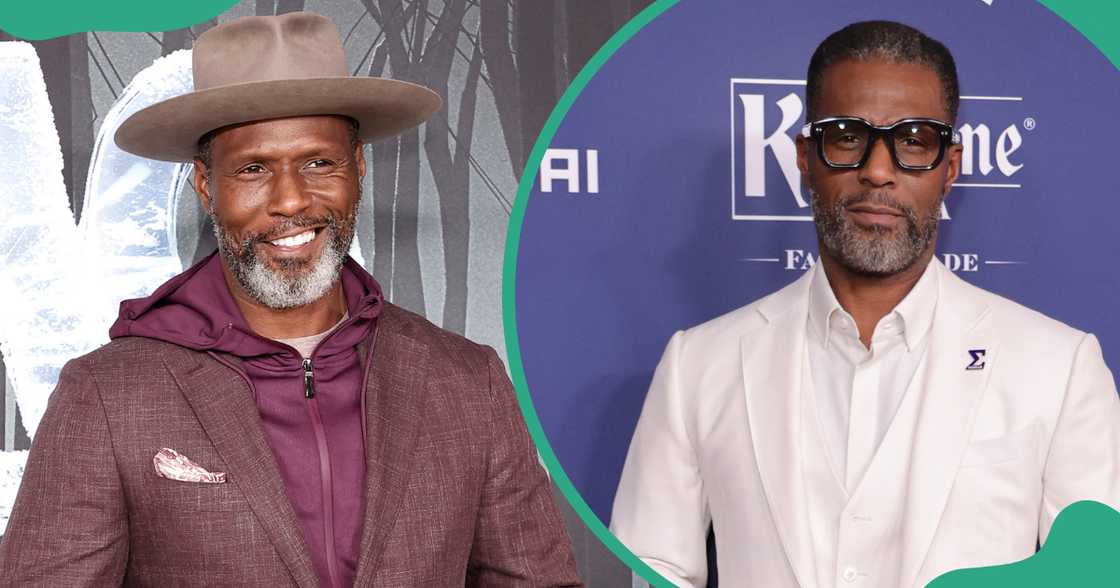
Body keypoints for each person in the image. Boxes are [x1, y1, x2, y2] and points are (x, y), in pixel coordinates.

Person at [0, 12, 581, 588]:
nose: (290, 200)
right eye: (254, 169)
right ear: (206, 187)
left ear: (356, 169)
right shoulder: (108, 394)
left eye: (318, 162)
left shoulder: (464, 380)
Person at [611, 20, 1120, 588]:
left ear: (949, 168)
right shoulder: (696, 366)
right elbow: (652, 571)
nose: (878, 171)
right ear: (806, 158)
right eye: (847, 136)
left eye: (914, 141)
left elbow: (1090, 573)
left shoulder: (1060, 366)